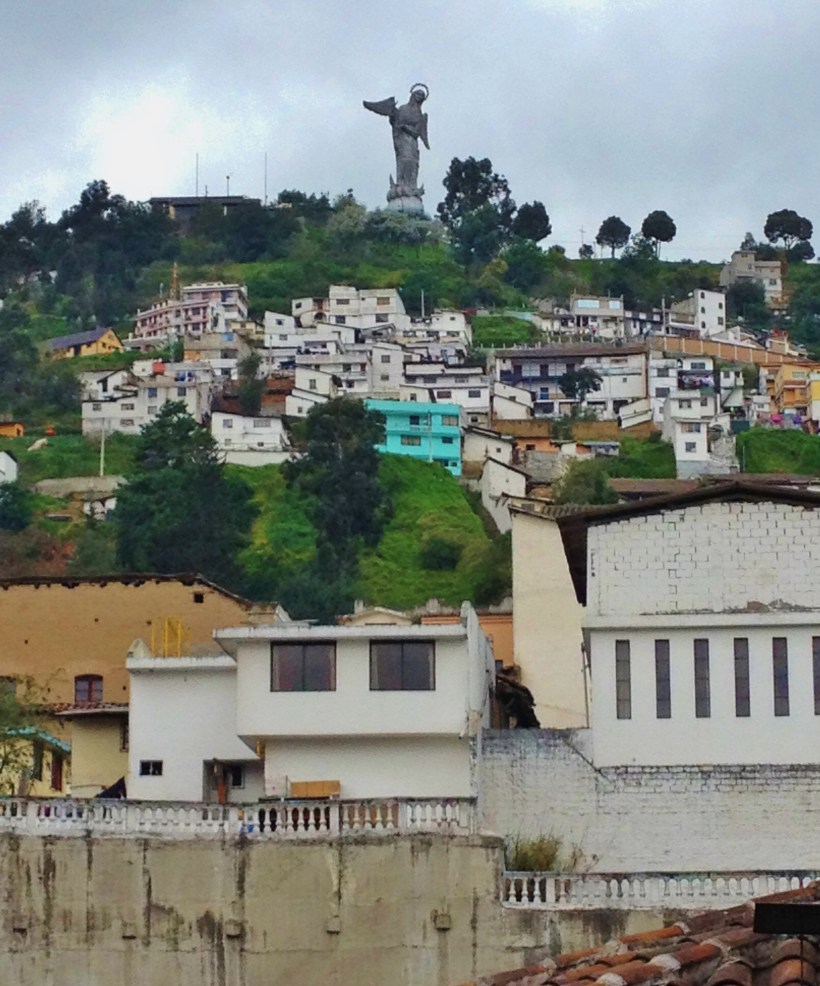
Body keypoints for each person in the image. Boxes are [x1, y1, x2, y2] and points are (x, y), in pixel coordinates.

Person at [363, 84, 429, 200]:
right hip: (402, 140)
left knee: (412, 163)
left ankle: (411, 186)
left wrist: (406, 128)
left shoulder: (420, 115)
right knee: (403, 160)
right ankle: (401, 184)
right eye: (418, 94)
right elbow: (396, 123)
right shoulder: (403, 109)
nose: (420, 97)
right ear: (413, 95)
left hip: (412, 142)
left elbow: (417, 133)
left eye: (422, 96)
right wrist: (393, 117)